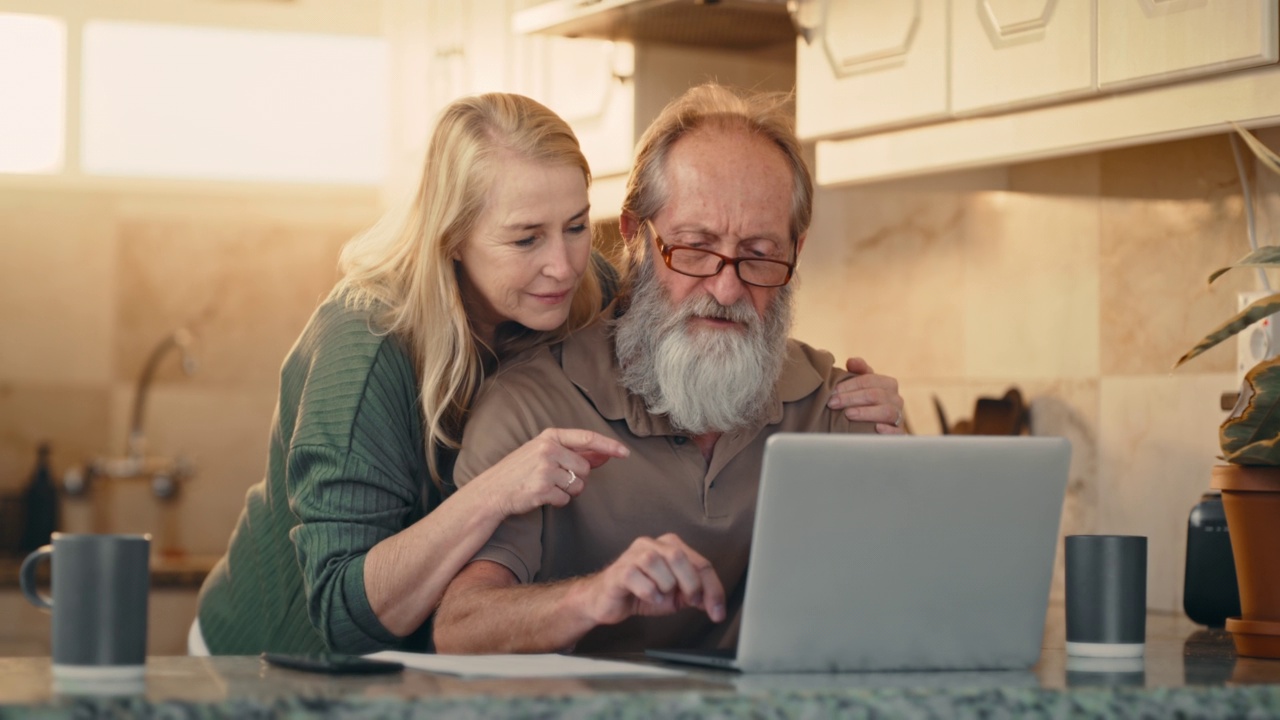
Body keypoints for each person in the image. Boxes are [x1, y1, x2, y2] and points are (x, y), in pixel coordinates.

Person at [195, 91, 902, 655]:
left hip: (410, 669)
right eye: (525, 237)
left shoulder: (581, 285)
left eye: (573, 225)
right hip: (272, 657)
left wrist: (846, 396)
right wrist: (497, 492)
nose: (563, 265)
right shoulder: (368, 348)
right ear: (452, 239)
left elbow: (700, 310)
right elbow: (345, 618)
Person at [432, 84, 898, 655]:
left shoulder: (837, 406)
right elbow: (459, 627)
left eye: (759, 254)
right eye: (694, 247)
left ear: (796, 250)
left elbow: (921, 602)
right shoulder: (529, 405)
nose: (727, 289)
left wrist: (908, 460)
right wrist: (593, 596)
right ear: (634, 236)